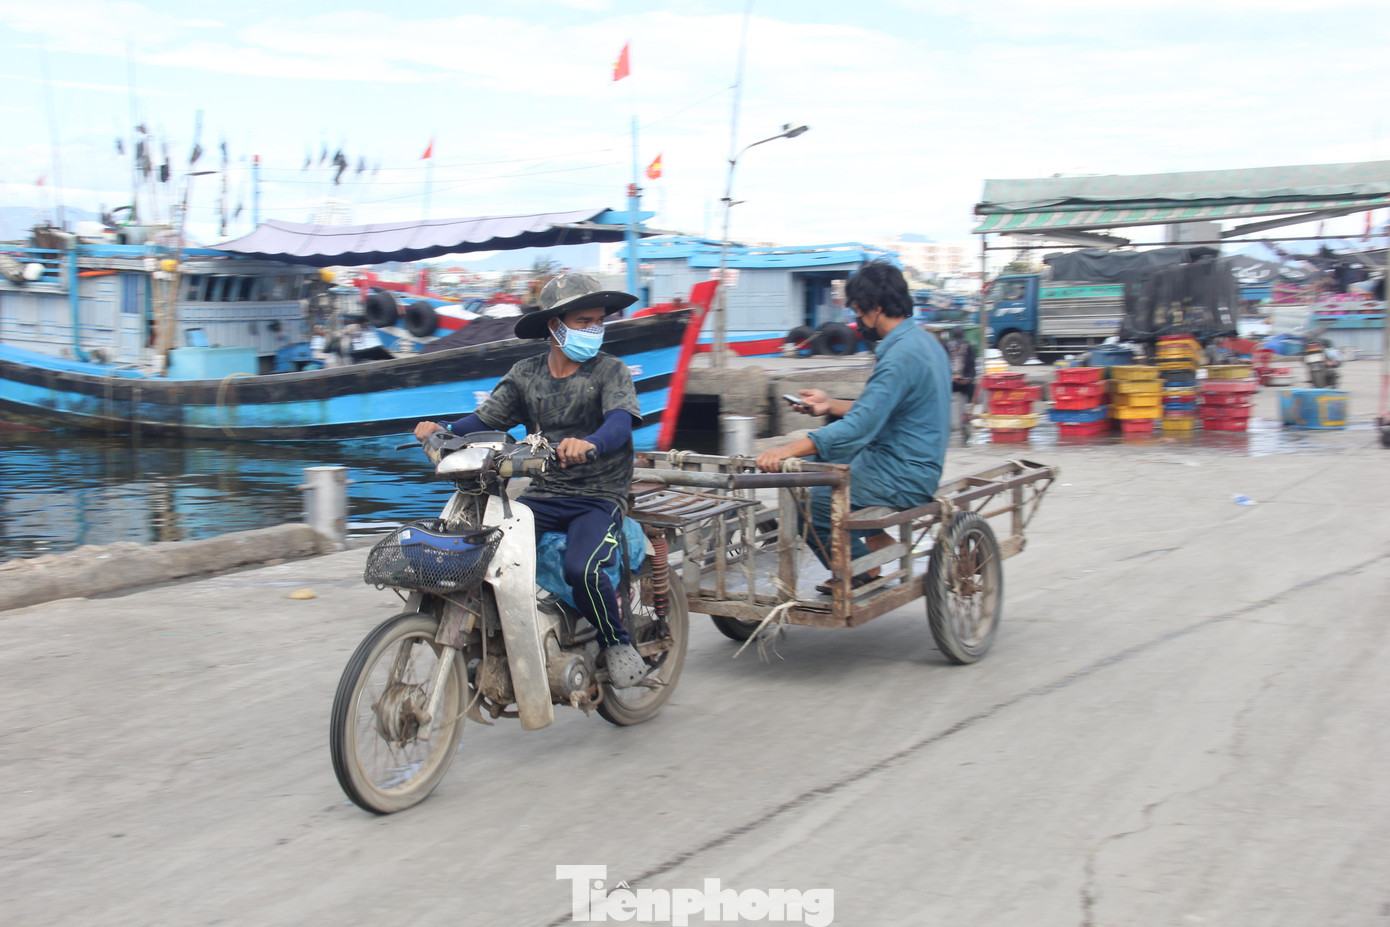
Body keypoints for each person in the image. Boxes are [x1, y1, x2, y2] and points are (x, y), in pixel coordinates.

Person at [412, 274, 648, 687]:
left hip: (597, 496)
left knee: (582, 568)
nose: (595, 329)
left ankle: (617, 641)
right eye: (583, 321)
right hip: (545, 491)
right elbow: (484, 421)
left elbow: (620, 423)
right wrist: (442, 431)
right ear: (554, 326)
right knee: (483, 550)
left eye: (599, 321)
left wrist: (589, 444)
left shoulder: (611, 372)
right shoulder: (525, 374)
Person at [756, 261, 951, 593]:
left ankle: (861, 568)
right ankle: (877, 544)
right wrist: (828, 405)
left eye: (860, 314)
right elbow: (881, 409)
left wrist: (786, 450)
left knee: (809, 502)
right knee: (820, 470)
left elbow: (858, 428)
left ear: (876, 309)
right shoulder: (923, 342)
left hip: (904, 471)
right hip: (906, 460)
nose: (859, 324)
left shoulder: (899, 356)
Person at [945, 326, 977, 444]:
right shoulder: (969, 345)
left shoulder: (945, 345)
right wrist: (967, 378)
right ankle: (967, 417)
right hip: (965, 382)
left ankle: (947, 423)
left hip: (949, 382)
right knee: (971, 391)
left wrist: (952, 376)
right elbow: (972, 367)